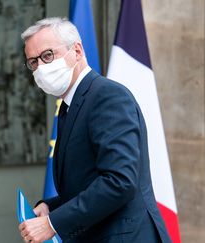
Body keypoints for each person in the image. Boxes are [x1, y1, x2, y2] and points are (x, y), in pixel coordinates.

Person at [18, 17, 172, 243]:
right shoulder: (70, 106)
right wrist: (51, 208)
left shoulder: (107, 96)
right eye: (33, 62)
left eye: (48, 55)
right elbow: (88, 183)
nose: (41, 67)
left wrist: (53, 224)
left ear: (77, 50)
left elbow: (119, 181)